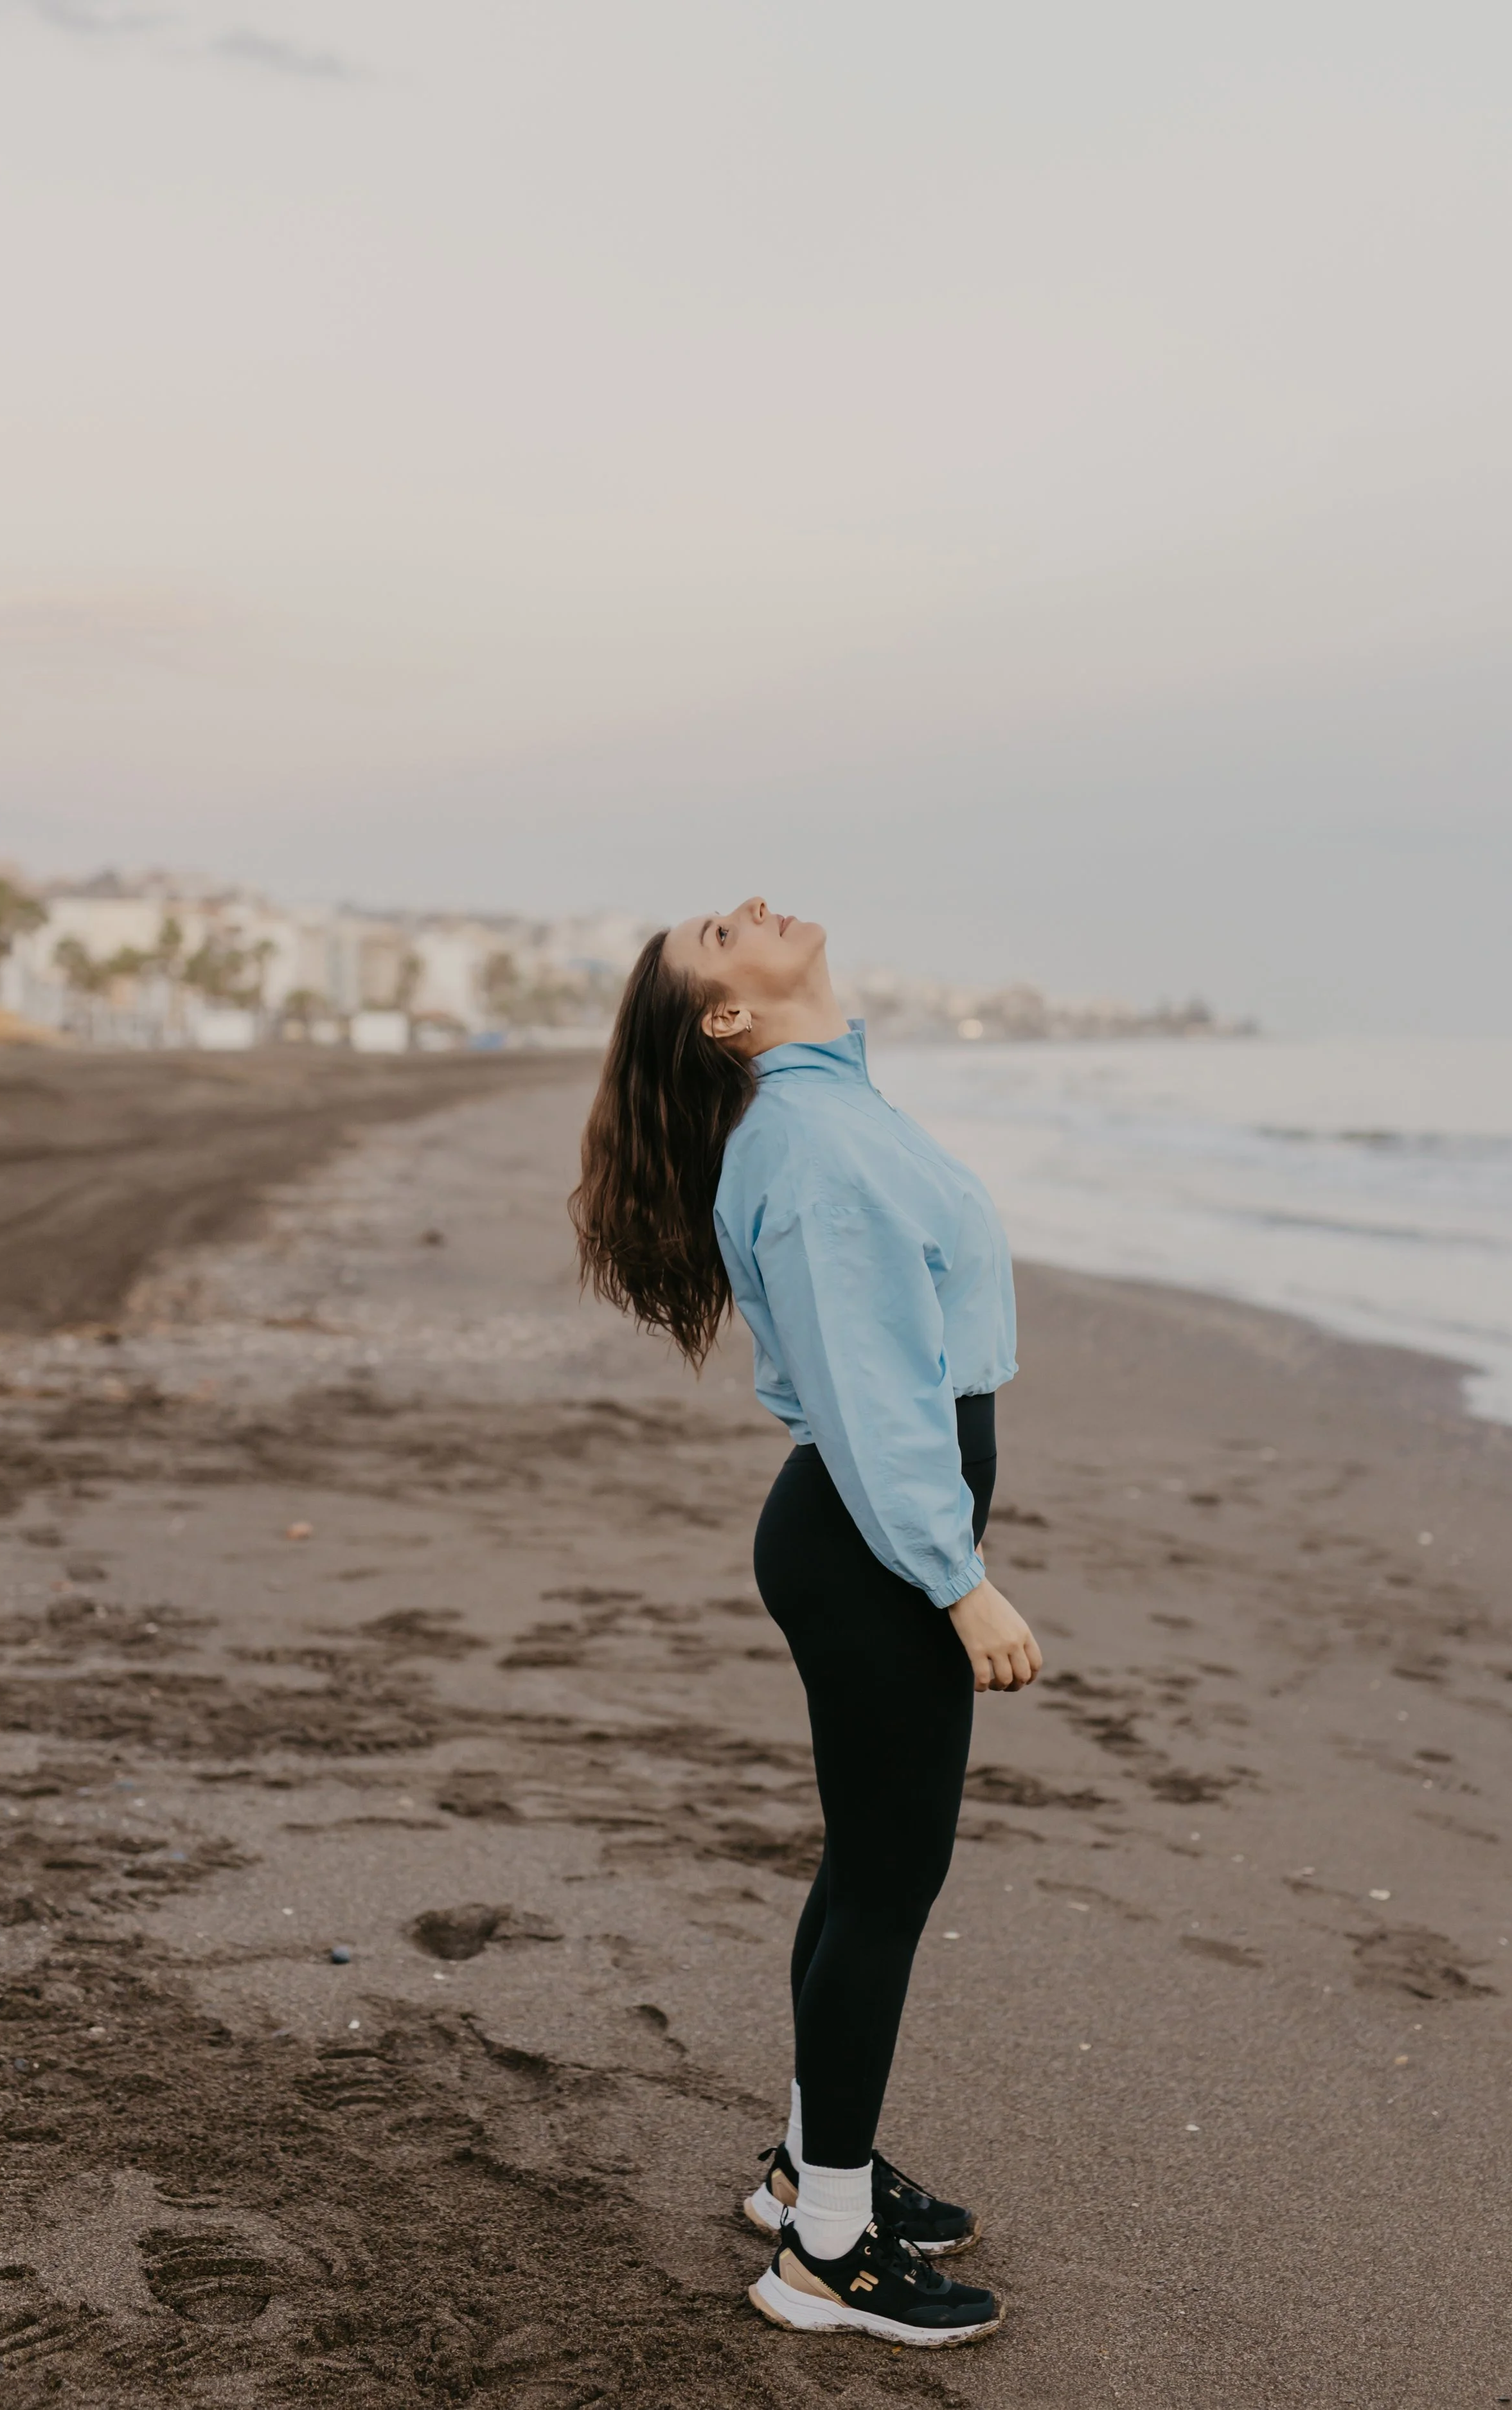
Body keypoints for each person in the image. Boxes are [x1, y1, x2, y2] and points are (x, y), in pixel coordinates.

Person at [571, 895, 1042, 2348]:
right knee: (890, 1880)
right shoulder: (816, 1148)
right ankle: (825, 2252)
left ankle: (804, 2171)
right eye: (711, 941)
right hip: (872, 1543)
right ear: (728, 1018)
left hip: (863, 1535)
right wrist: (955, 1579)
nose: (737, 914)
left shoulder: (829, 1111)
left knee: (865, 1865)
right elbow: (866, 1399)